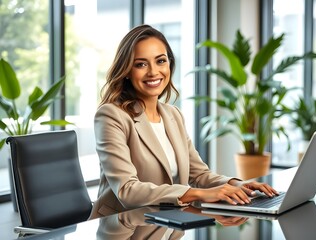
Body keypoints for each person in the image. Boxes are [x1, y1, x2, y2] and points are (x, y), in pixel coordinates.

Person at [89, 24, 278, 219]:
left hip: (167, 223)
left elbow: (199, 175)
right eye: (141, 64)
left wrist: (237, 184)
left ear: (169, 64)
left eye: (160, 61)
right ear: (127, 70)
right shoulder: (111, 115)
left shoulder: (173, 115)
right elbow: (127, 191)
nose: (153, 72)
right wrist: (200, 194)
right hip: (122, 225)